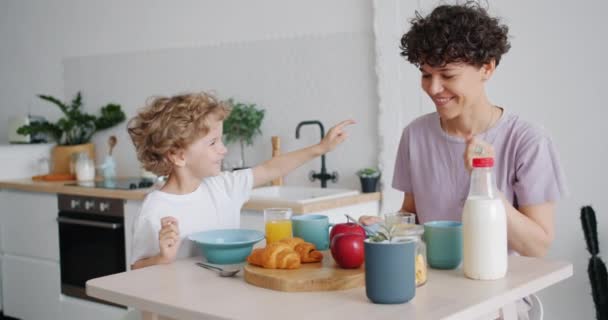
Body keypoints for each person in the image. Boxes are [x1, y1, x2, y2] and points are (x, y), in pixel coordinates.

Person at [361, 2, 566, 259]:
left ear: (487, 68)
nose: (433, 88)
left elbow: (537, 247)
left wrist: (484, 182)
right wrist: (384, 228)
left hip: (501, 291)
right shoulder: (415, 135)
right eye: (426, 75)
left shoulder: (528, 141)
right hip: (431, 285)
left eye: (447, 75)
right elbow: (413, 218)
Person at [127, 92, 354, 269]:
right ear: (178, 155)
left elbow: (271, 168)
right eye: (213, 142)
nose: (223, 150)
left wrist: (320, 148)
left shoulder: (224, 186)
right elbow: (137, 268)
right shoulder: (156, 207)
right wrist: (162, 258)